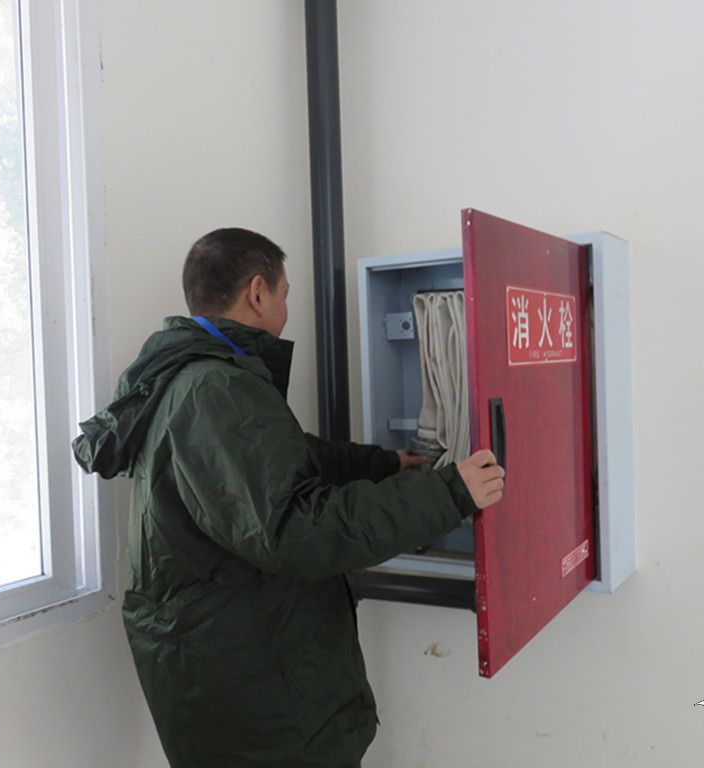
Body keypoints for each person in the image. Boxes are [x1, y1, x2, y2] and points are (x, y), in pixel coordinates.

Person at [72, 227, 504, 768]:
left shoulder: (192, 379)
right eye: (285, 293)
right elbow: (296, 529)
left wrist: (385, 462)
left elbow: (282, 460)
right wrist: (450, 492)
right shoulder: (215, 388)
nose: (285, 307)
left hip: (233, 675)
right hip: (258, 708)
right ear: (258, 292)